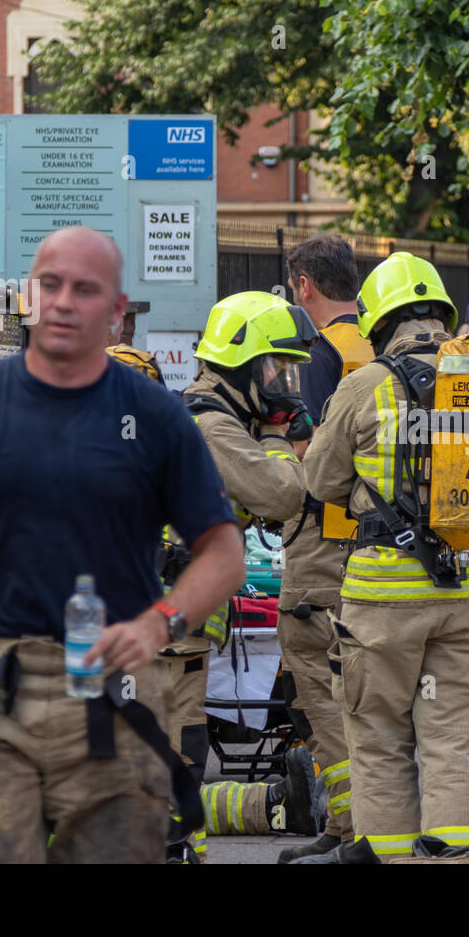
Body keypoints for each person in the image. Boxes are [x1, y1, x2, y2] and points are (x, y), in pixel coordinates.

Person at [0, 226, 247, 863]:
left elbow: (223, 551)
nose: (65, 301)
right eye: (50, 284)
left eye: (85, 289)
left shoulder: (155, 418)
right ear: (28, 295)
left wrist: (161, 623)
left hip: (116, 690)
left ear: (117, 311)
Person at [301, 251, 469, 862]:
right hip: (468, 589)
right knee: (452, 743)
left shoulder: (363, 385)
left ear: (379, 321)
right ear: (442, 314)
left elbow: (318, 480)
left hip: (383, 595)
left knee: (380, 739)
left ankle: (391, 857)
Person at [105, 337, 317, 859]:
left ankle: (245, 817)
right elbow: (280, 494)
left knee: (177, 747)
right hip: (162, 627)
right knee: (170, 748)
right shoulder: (205, 425)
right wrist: (271, 439)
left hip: (171, 628)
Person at [275, 234, 373, 862]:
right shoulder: (371, 344)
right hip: (368, 532)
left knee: (316, 672)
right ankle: (355, 824)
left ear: (303, 285)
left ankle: (350, 825)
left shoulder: (320, 351)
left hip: (322, 535)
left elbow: (314, 454)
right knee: (355, 678)